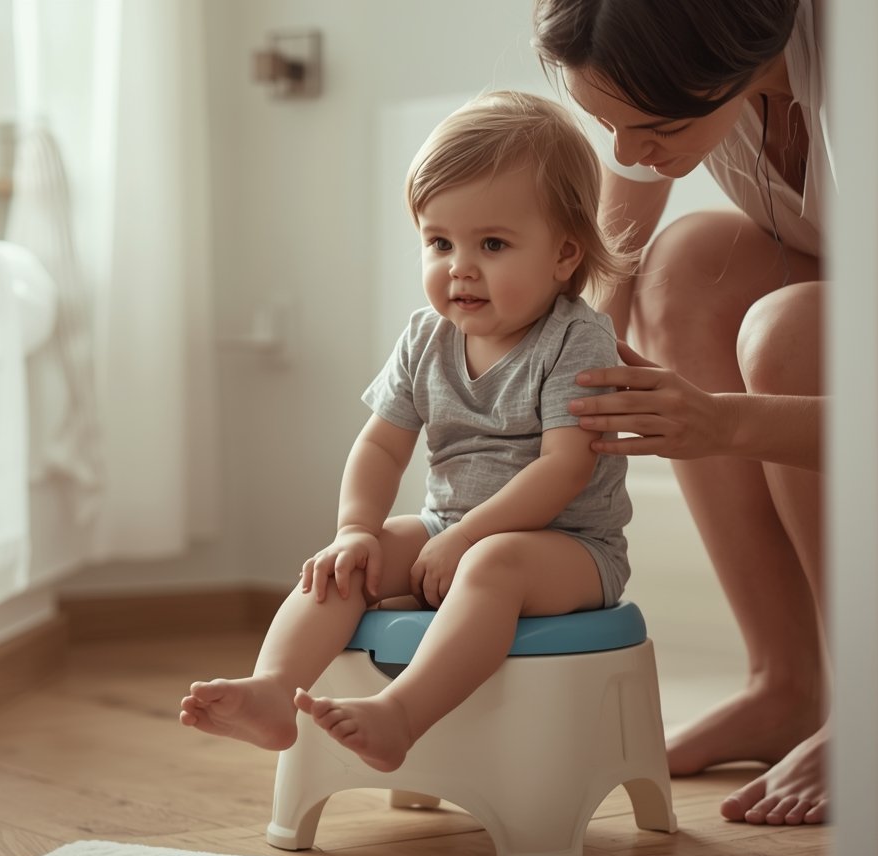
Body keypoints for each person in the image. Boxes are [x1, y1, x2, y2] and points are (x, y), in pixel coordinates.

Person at [178, 90, 634, 774]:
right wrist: (356, 530)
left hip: (568, 549)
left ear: (564, 254)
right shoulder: (427, 338)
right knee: (343, 569)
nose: (460, 266)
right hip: (445, 528)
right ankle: (274, 691)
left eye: (493, 244)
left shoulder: (576, 339)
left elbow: (563, 469)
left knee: (492, 564)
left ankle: (402, 714)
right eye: (439, 242)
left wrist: (466, 537)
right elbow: (382, 444)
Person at [532, 0, 833, 825]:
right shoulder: (662, 71)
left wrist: (725, 422)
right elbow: (603, 286)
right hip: (863, 304)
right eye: (607, 123)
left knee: (790, 329)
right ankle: (784, 682)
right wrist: (544, 397)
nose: (629, 154)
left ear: (738, 59)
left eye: (655, 127)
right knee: (683, 266)